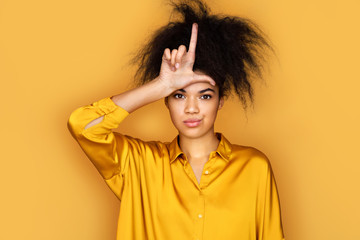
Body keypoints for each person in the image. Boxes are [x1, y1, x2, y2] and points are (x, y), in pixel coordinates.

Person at [67, 0, 285, 239]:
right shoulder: (139, 164)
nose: (191, 108)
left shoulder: (254, 167)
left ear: (221, 101)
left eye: (205, 95)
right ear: (166, 101)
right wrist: (161, 85)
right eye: (179, 95)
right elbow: (83, 126)